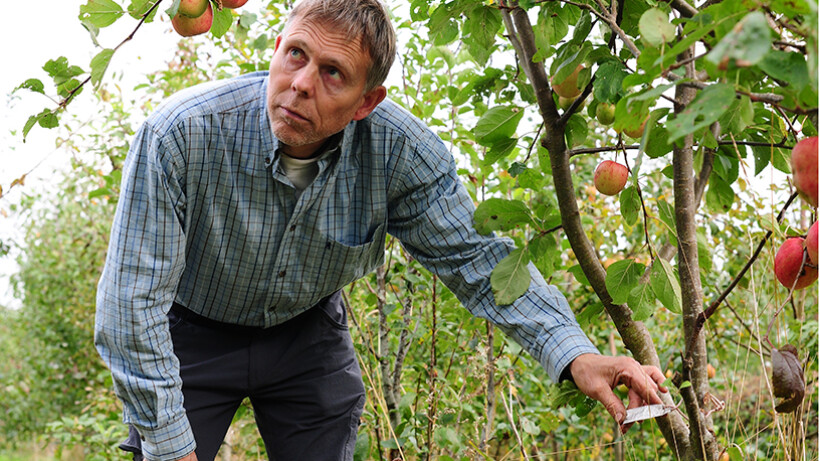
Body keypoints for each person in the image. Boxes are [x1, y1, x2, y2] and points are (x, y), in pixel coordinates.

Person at [94, 0, 668, 460]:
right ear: (276, 47)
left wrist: (575, 354)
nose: (300, 84)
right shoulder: (181, 136)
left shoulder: (402, 154)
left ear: (368, 101)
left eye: (332, 73)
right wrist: (172, 452)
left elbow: (477, 260)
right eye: (295, 55)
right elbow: (130, 306)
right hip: (191, 332)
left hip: (305, 337)